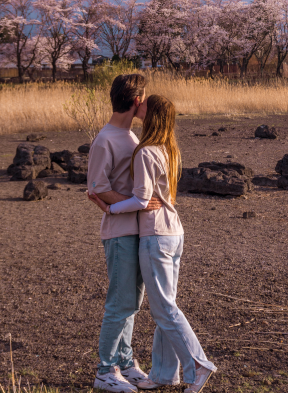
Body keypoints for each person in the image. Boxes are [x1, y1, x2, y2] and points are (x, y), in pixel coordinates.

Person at [89, 94, 217, 392]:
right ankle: (162, 373)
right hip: (174, 232)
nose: (140, 104)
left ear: (149, 114)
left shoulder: (145, 151)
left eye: (145, 103)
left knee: (163, 310)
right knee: (164, 305)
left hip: (155, 235)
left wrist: (109, 207)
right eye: (140, 99)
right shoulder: (169, 149)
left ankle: (197, 364)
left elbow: (142, 200)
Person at [87, 74, 163, 393]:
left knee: (133, 302)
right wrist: (139, 205)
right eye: (144, 98)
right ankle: (106, 371)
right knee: (120, 303)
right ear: (135, 101)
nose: (146, 103)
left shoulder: (132, 137)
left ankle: (126, 363)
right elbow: (97, 188)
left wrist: (141, 205)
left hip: (138, 231)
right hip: (118, 234)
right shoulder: (105, 139)